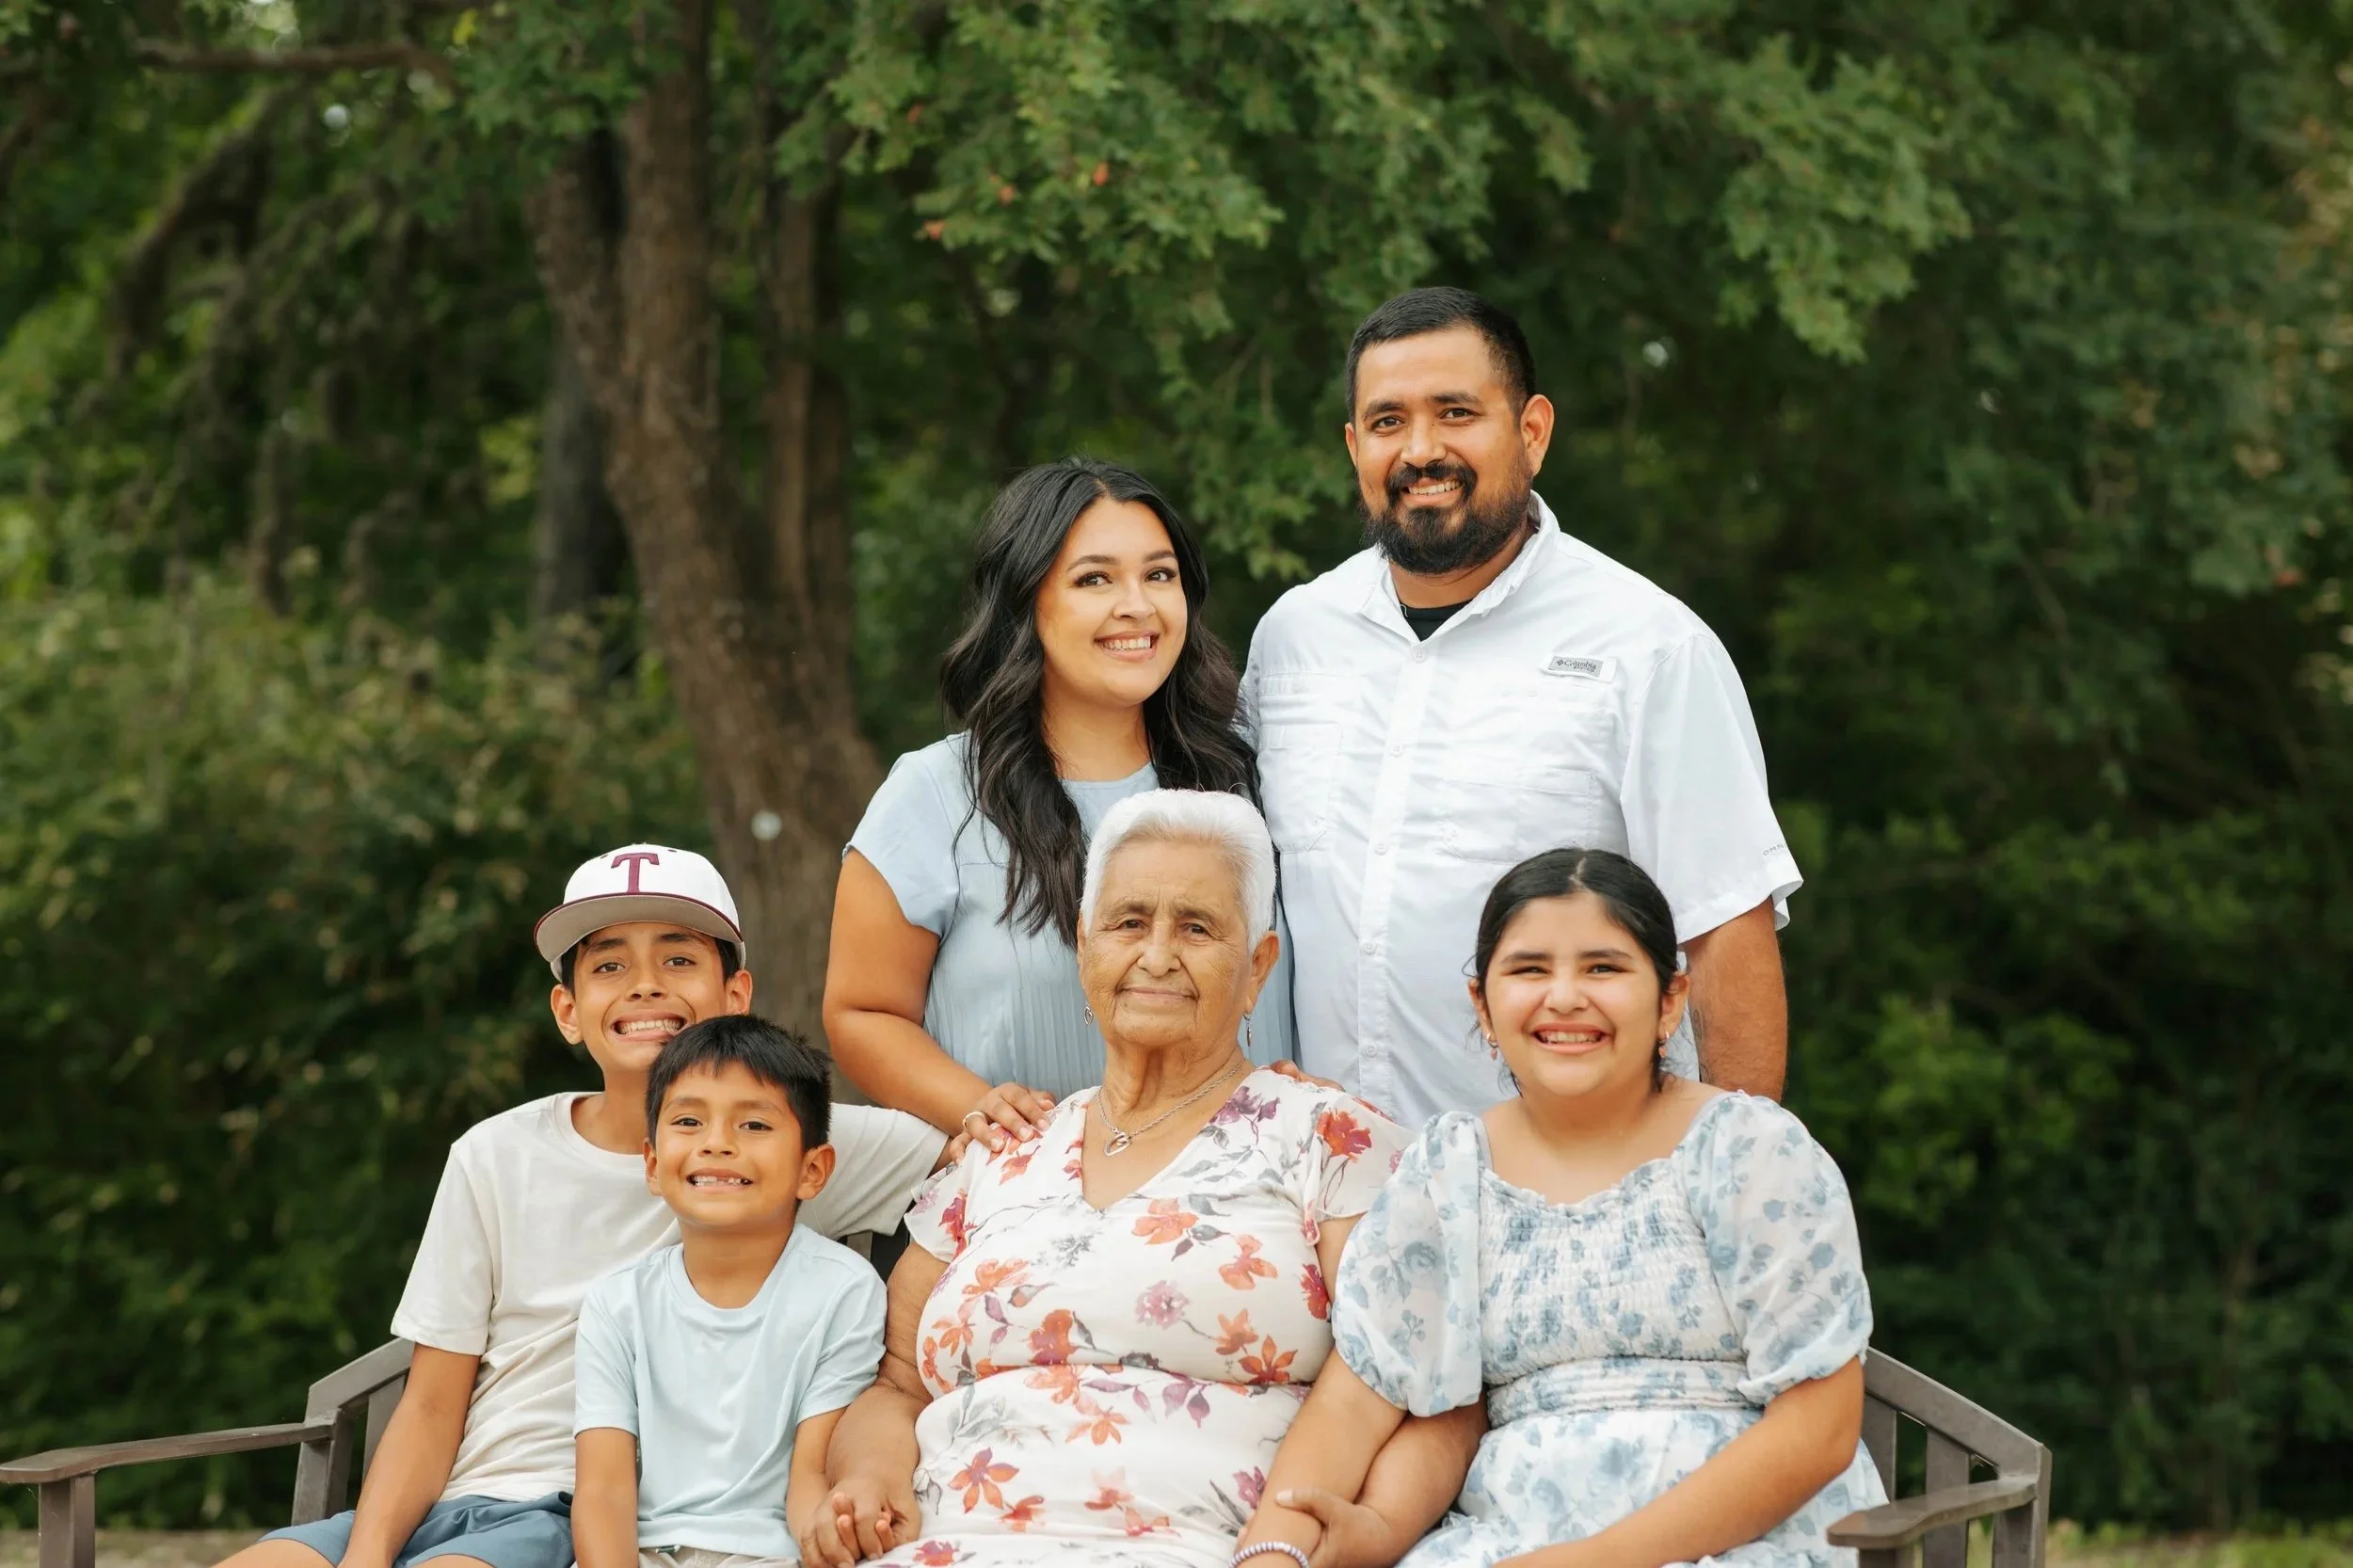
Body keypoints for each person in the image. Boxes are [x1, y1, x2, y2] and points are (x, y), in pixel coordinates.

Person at [218, 845, 945, 1568]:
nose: (645, 987)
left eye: (680, 960)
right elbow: (433, 1402)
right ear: (568, 1010)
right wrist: (367, 1557)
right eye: (608, 967)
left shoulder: (785, 1139)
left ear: (735, 994)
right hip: (451, 1499)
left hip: (579, 1513)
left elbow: (983, 1155)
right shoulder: (495, 1153)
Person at [802, 791, 1449, 1568]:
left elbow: (1431, 1379)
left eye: (1198, 927)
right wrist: (870, 1480)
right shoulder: (1001, 1149)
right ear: (1085, 949)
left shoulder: (1328, 1137)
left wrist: (1333, 1539)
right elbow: (899, 1384)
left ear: (1258, 966)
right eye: (1130, 922)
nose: (1157, 954)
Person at [1243, 286, 1801, 1125]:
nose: (1421, 449)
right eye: (1389, 421)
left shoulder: (1648, 647)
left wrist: (1729, 1183)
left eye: (1457, 412)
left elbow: (1727, 934)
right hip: (1332, 1200)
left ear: (1532, 432)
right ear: (1355, 446)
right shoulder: (1294, 638)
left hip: (1574, 1197)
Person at [1236, 849, 1882, 1568]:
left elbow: (1819, 1430)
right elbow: (1355, 1401)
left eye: (1603, 968)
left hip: (1746, 1541)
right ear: (1483, 1005)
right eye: (1530, 969)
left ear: (1670, 1000)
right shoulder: (1450, 1175)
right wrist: (1272, 1553)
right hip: (1510, 1543)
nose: (1566, 997)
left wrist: (1592, 1561)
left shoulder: (1749, 1152)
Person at [827, 458, 1291, 1156]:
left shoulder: (1248, 776)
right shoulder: (935, 794)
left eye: (1159, 575)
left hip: (1243, 1210)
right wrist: (978, 1110)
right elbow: (861, 1011)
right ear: (1025, 603)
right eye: (1094, 579)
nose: (1137, 605)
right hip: (1024, 1219)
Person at [572, 1016, 888, 1568]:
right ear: (652, 1163)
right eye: (690, 1121)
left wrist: (826, 1542)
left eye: (755, 1127)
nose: (717, 1144)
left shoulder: (844, 1291)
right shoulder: (617, 1304)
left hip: (774, 1554)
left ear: (812, 1170)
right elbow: (603, 1492)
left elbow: (810, 1475)